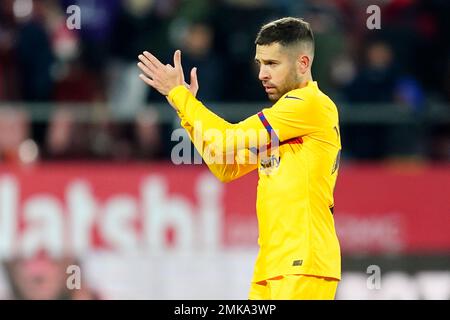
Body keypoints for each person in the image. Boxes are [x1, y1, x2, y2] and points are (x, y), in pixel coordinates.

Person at [137, 17, 341, 300]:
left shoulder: (309, 105)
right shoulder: (286, 121)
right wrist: (185, 111)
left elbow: (226, 140)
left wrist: (181, 96)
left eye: (272, 63)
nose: (262, 74)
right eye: (260, 64)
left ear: (302, 64)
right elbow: (225, 165)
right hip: (272, 264)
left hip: (303, 263)